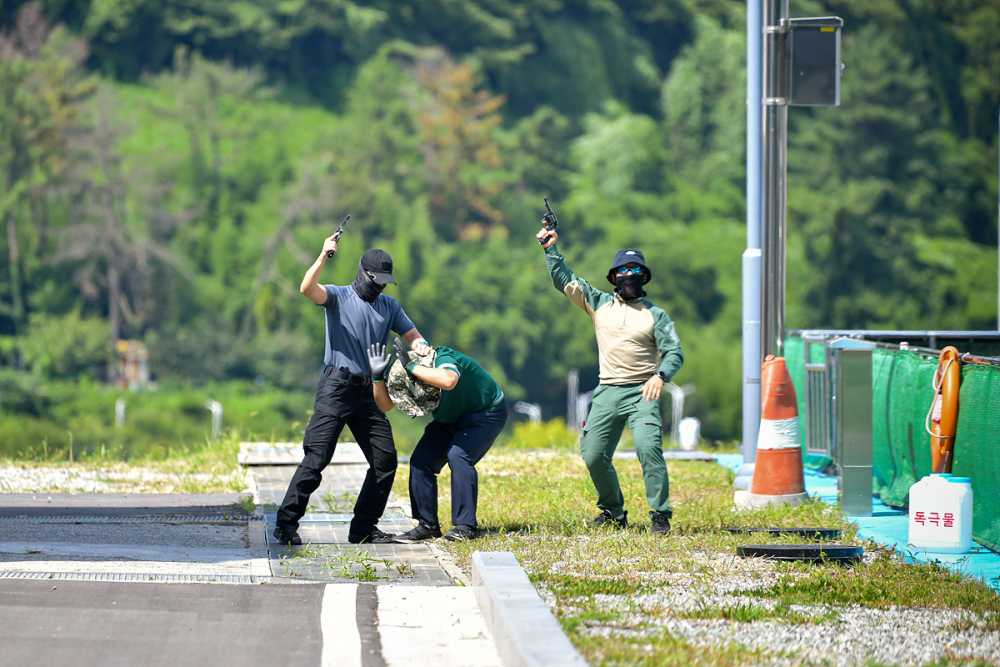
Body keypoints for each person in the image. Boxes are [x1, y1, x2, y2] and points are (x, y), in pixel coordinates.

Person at [273, 234, 431, 545]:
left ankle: (363, 529)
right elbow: (306, 289)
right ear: (363, 273)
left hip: (369, 389)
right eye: (376, 280)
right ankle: (286, 524)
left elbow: (415, 336)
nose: (381, 286)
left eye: (386, 282)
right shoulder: (338, 297)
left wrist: (423, 350)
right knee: (317, 457)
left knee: (385, 461)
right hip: (337, 386)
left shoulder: (390, 306)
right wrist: (322, 256)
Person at [536, 225, 683, 534]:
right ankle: (613, 510)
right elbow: (565, 280)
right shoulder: (599, 303)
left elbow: (674, 352)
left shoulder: (656, 315)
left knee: (648, 449)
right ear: (614, 277)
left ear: (644, 277)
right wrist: (551, 249)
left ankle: (660, 514)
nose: (629, 277)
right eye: (623, 272)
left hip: (643, 391)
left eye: (635, 271)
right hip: (607, 391)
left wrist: (660, 376)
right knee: (592, 453)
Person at [365, 339, 507, 541]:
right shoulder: (403, 374)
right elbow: (386, 406)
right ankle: (427, 525)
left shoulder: (443, 358)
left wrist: (412, 366)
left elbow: (449, 381)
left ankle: (465, 527)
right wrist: (377, 377)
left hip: (485, 413)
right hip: (449, 418)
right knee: (421, 461)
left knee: (458, 456)